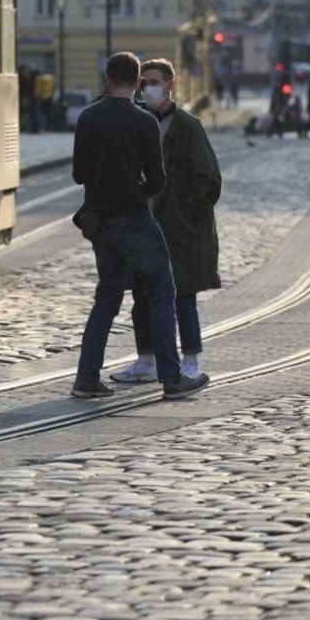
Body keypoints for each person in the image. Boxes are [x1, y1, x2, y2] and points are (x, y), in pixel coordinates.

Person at [70, 52, 210, 400]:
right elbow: (158, 180)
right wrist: (137, 191)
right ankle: (171, 377)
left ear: (107, 80)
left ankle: (86, 378)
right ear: (136, 83)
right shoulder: (143, 122)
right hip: (134, 219)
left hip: (99, 222)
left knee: (107, 297)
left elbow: (78, 174)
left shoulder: (88, 117)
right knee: (162, 291)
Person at [112, 59, 222, 384]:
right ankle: (145, 359)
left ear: (170, 85)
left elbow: (209, 180)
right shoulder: (136, 122)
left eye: (154, 82)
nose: (148, 88)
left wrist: (186, 215)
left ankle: (190, 359)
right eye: (143, 83)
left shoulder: (188, 126)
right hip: (143, 225)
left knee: (183, 296)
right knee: (142, 296)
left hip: (180, 229)